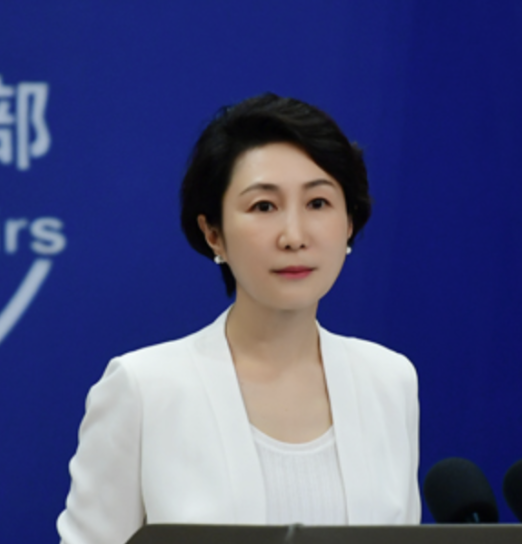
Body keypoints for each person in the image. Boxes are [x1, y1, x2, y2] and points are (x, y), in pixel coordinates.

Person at [56, 94, 420, 544]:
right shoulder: (144, 388)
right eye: (264, 206)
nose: (294, 236)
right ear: (214, 233)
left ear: (349, 222)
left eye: (318, 203)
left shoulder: (388, 381)